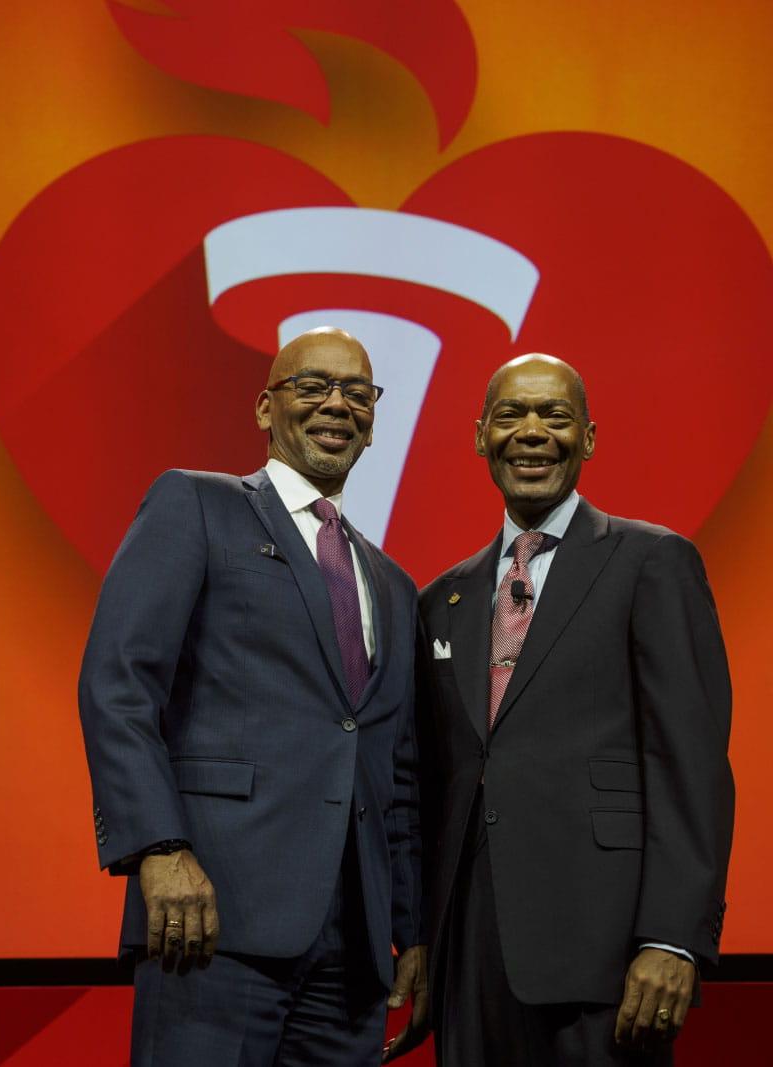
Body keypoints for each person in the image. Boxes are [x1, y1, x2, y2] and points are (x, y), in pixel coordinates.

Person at [79, 327, 428, 1066]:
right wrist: (158, 847)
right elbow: (119, 681)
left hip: (353, 958)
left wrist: (411, 928)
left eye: (357, 392)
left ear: (372, 419)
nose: (337, 403)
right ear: (266, 407)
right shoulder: (197, 504)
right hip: (212, 918)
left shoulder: (394, 586)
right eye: (313, 385)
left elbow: (393, 770)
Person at [418, 353, 734, 1066]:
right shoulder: (445, 597)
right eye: (511, 415)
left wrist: (671, 936)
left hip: (606, 952)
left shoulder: (653, 562)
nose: (532, 432)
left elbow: (691, 766)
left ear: (588, 438)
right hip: (472, 951)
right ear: (479, 435)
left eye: (554, 416)